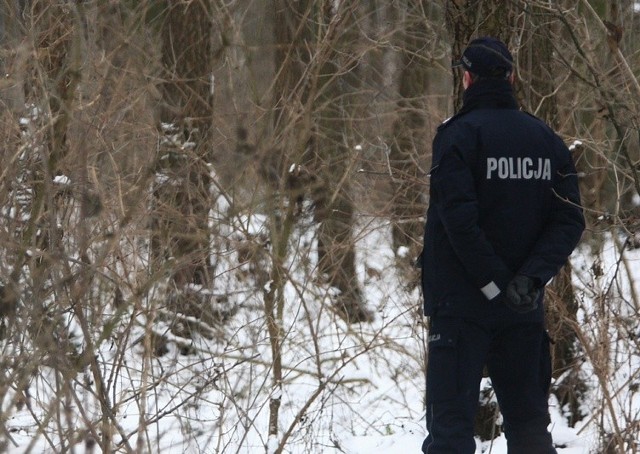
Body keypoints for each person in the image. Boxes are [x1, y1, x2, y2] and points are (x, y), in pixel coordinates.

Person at [420, 37, 585, 453]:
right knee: (530, 430)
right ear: (511, 76)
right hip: (522, 309)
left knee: (451, 434)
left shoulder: (457, 137)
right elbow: (569, 218)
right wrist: (529, 279)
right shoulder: (545, 139)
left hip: (461, 310)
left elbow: (458, 220)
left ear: (466, 78)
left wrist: (495, 283)